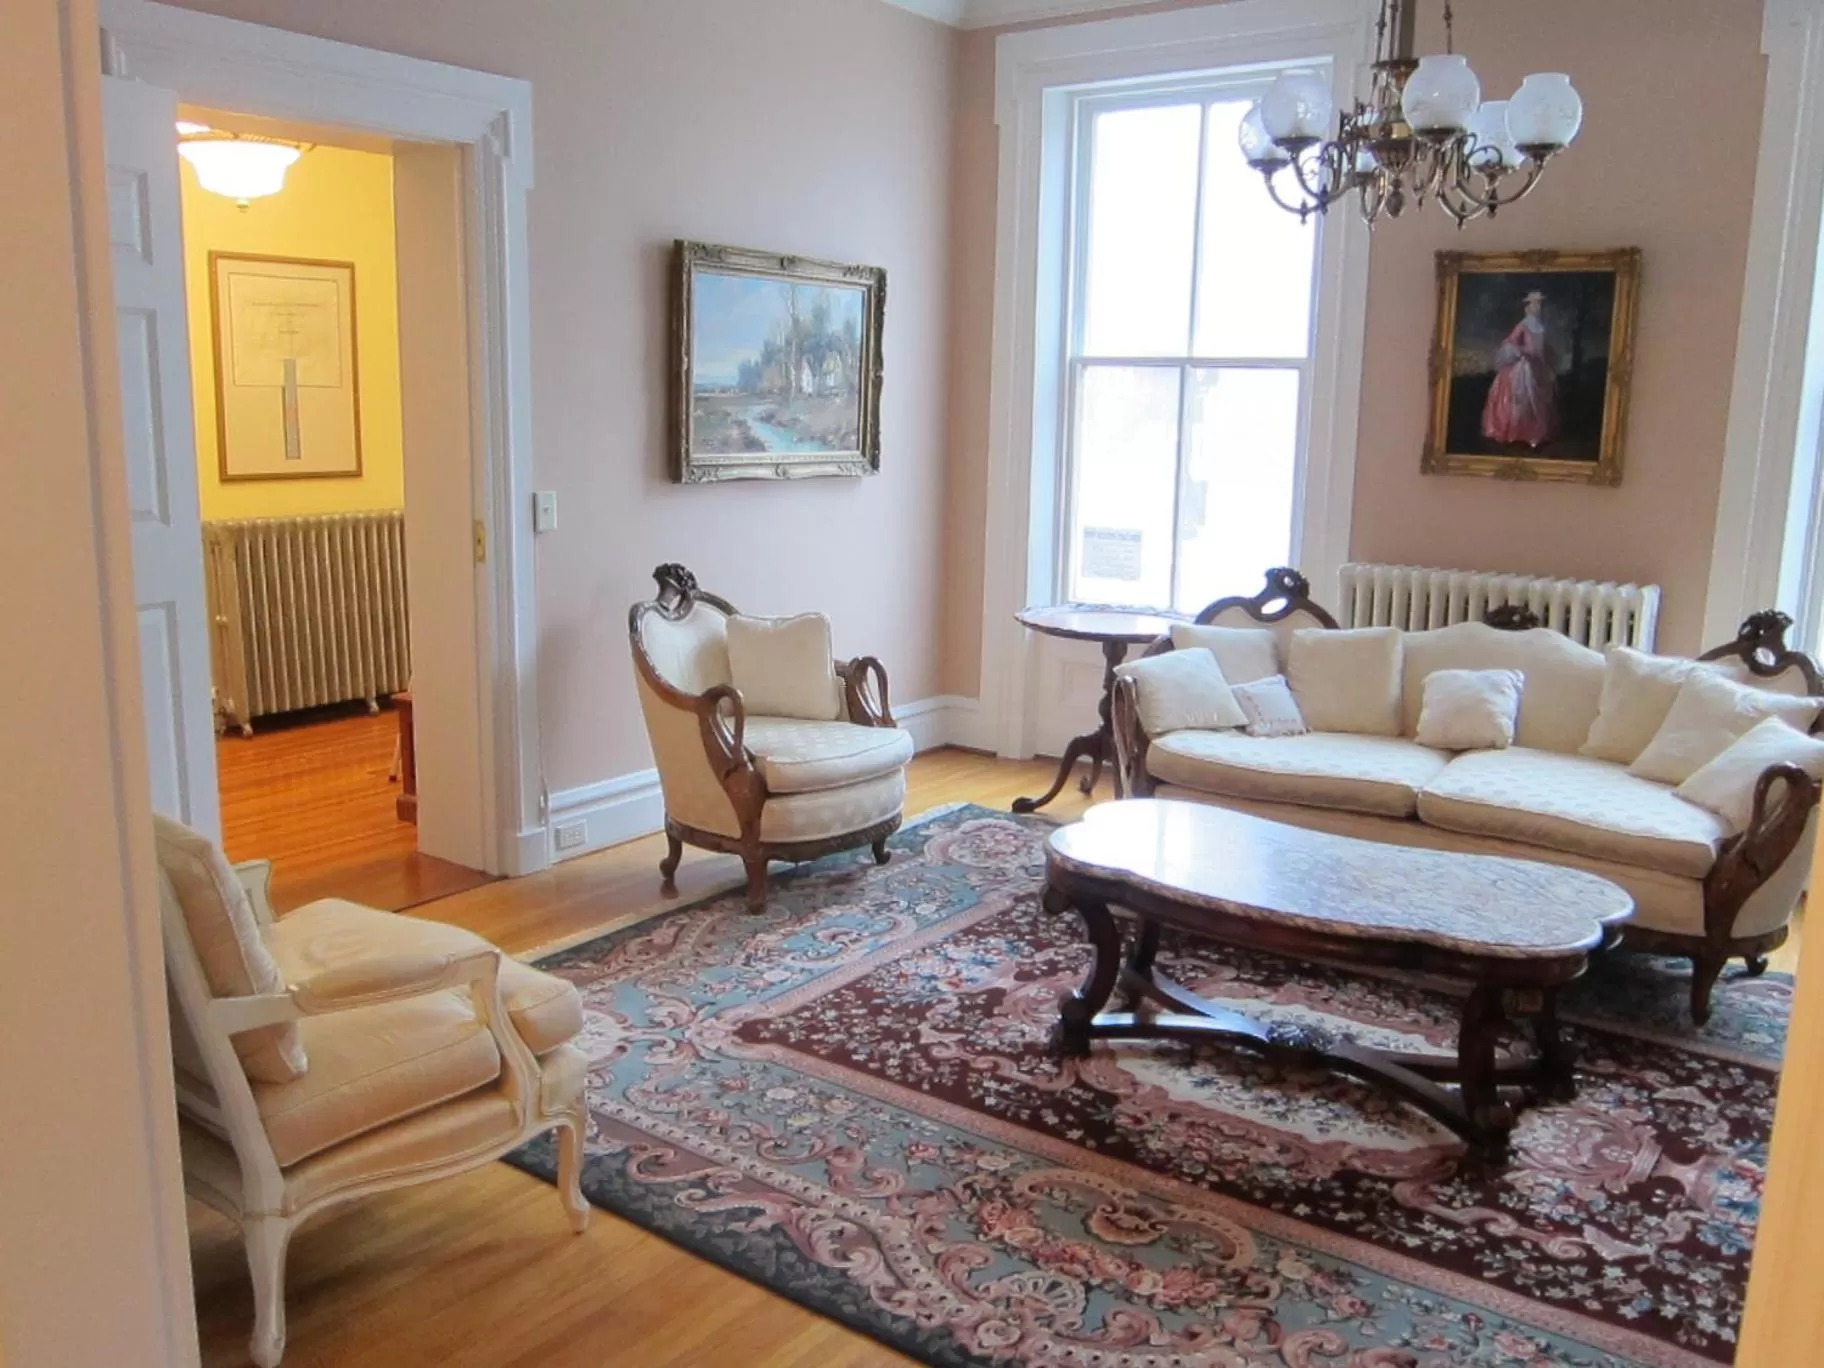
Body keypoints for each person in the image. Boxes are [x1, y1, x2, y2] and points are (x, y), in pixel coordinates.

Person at [1482, 289, 1559, 448]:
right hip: (1523, 368)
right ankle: (1517, 433)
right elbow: (1509, 343)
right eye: (1535, 304)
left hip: (1538, 366)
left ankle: (1534, 434)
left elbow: (1542, 348)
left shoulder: (1541, 326)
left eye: (1539, 304)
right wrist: (1523, 351)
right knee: (1521, 398)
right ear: (1529, 306)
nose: (1537, 307)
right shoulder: (1523, 325)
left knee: (1539, 401)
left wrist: (1542, 358)